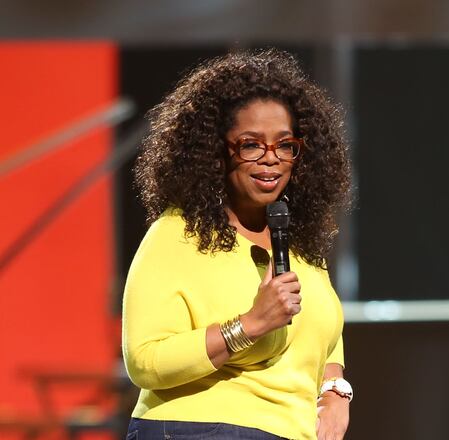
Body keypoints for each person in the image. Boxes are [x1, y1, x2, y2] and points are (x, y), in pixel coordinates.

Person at [122, 48, 352, 440]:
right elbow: (144, 360)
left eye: (285, 145)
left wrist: (335, 393)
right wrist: (249, 326)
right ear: (216, 151)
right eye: (250, 144)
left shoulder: (296, 243)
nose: (271, 159)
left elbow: (326, 338)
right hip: (198, 428)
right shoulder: (177, 233)